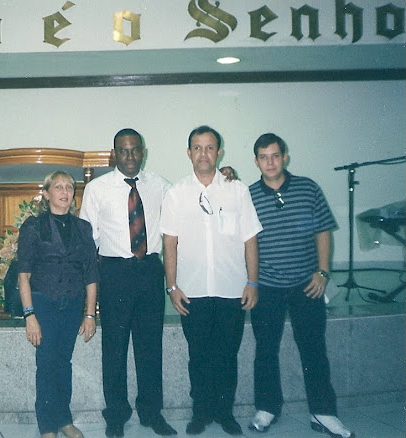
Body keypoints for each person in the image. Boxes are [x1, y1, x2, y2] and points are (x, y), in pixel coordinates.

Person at [247, 133, 354, 438]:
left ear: (285, 157)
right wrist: (252, 282)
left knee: (314, 350)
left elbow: (323, 231)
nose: (270, 162)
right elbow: (247, 242)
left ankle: (323, 413)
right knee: (265, 351)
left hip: (306, 285)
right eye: (264, 157)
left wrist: (322, 272)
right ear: (256, 161)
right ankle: (267, 408)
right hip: (266, 286)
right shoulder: (249, 195)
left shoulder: (308, 188)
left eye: (276, 155)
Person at [161, 125, 262, 436]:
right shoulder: (176, 193)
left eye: (209, 147)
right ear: (188, 152)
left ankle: (225, 412)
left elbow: (250, 240)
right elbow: (169, 243)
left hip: (232, 290)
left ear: (219, 152)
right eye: (197, 147)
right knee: (199, 356)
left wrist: (253, 282)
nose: (203, 153)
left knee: (227, 355)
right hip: (192, 291)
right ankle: (201, 413)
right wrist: (172, 287)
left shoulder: (237, 190)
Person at [80, 128, 177, 438]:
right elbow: (87, 242)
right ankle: (116, 415)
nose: (131, 156)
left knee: (151, 347)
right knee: (115, 348)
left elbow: (183, 216)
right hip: (114, 274)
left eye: (136, 150)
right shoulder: (96, 189)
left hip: (150, 270)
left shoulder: (161, 186)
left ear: (143, 151)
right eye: (124, 151)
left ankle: (151, 412)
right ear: (114, 154)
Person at [17, 170, 98, 438]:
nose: (64, 192)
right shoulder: (33, 226)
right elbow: (24, 275)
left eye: (69, 188)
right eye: (59, 187)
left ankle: (64, 419)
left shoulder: (83, 228)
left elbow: (90, 275)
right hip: (44, 303)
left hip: (73, 304)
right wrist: (29, 315)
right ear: (47, 193)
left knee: (64, 362)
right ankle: (47, 426)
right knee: (47, 363)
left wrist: (89, 314)